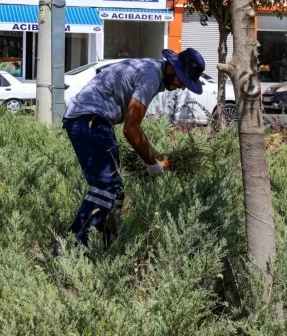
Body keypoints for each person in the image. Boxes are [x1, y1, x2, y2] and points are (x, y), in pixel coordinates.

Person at [56, 48, 206, 252]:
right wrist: (152, 165)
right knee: (107, 185)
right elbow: (131, 128)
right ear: (171, 67)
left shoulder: (150, 70)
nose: (180, 86)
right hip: (89, 119)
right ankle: (69, 249)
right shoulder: (151, 76)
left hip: (93, 120)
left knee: (115, 191)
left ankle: (106, 248)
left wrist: (152, 155)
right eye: (181, 79)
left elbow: (134, 128)